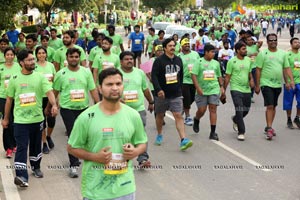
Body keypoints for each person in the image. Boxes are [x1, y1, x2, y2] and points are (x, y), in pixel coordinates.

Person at [67, 67, 147, 200]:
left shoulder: (133, 115)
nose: (115, 88)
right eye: (109, 84)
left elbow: (142, 142)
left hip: (125, 188)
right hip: (96, 191)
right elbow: (71, 147)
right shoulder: (86, 117)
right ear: (100, 88)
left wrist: (135, 151)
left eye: (118, 84)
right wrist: (95, 157)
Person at [2, 49, 58, 187]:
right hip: (20, 121)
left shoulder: (40, 77)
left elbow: (49, 92)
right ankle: (21, 176)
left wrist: (54, 104)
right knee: (21, 147)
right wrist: (6, 118)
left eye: (33, 59)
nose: (33, 62)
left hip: (37, 119)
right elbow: (9, 100)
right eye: (29, 60)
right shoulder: (14, 79)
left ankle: (36, 166)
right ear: (21, 63)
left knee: (35, 146)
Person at [51, 48, 99, 178]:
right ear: (67, 58)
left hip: (84, 108)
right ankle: (73, 165)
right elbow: (54, 92)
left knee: (87, 135)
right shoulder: (61, 74)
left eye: (76, 56)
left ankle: (88, 159)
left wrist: (100, 104)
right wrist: (51, 105)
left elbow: (93, 89)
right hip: (67, 109)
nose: (74, 59)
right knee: (73, 135)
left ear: (80, 58)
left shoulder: (86, 72)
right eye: (71, 56)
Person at [151, 38, 193, 151]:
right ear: (165, 48)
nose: (173, 47)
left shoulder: (179, 60)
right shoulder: (159, 61)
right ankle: (159, 134)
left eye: (174, 45)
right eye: (170, 45)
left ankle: (183, 139)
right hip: (162, 95)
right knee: (160, 115)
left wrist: (180, 89)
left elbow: (181, 76)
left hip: (176, 94)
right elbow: (154, 76)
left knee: (178, 115)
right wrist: (158, 90)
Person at [255, 33, 295, 140]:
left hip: (277, 84)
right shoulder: (263, 54)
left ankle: (270, 126)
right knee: (270, 106)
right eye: (271, 40)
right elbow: (258, 70)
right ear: (267, 42)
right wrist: (257, 85)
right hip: (266, 83)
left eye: (275, 40)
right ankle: (269, 128)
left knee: (274, 106)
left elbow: (286, 68)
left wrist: (290, 81)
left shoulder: (283, 54)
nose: (273, 42)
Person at [119, 51, 154, 167]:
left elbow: (145, 89)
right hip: (121, 110)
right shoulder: (116, 73)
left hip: (139, 109)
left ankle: (143, 159)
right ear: (121, 61)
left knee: (140, 134)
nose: (129, 61)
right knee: (123, 134)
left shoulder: (139, 73)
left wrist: (151, 101)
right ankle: (122, 158)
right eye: (126, 59)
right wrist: (117, 99)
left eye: (131, 59)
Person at [191, 44, 224, 141]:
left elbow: (219, 76)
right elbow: (193, 75)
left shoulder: (216, 63)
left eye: (214, 52)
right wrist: (198, 88)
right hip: (202, 90)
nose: (213, 54)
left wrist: (221, 87)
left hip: (214, 89)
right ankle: (196, 119)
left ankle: (213, 132)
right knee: (202, 110)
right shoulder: (199, 62)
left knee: (213, 109)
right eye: (212, 52)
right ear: (206, 52)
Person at [223, 42, 254, 141]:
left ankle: (236, 119)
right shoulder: (232, 61)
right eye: (243, 49)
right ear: (237, 51)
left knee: (246, 109)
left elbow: (249, 73)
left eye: (246, 49)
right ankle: (241, 132)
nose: (246, 51)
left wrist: (252, 80)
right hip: (235, 88)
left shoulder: (248, 60)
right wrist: (223, 90)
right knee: (239, 108)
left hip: (246, 89)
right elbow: (227, 77)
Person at [34, 46, 56, 154]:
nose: (41, 55)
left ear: (46, 54)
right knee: (42, 121)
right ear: (36, 55)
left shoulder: (51, 65)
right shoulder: (34, 67)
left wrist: (57, 98)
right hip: (39, 98)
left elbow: (55, 81)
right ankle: (43, 143)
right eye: (39, 53)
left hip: (50, 97)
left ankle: (48, 136)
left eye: (43, 53)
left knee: (52, 121)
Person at [0, 47, 19, 158]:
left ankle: (15, 144)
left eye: (12, 55)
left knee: (15, 122)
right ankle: (8, 148)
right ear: (4, 56)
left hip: (16, 97)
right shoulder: (1, 68)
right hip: (3, 98)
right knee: (7, 121)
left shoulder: (18, 67)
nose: (10, 57)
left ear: (14, 56)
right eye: (7, 55)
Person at [178, 38, 199, 126]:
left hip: (194, 80)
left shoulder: (195, 54)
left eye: (188, 44)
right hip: (184, 81)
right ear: (181, 46)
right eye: (185, 44)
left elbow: (199, 65)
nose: (187, 45)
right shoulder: (179, 56)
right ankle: (187, 116)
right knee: (186, 98)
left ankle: (183, 108)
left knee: (193, 98)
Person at [284, 37, 300, 129]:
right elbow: (285, 69)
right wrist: (287, 82)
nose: (297, 43)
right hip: (290, 83)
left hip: (299, 82)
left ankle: (297, 117)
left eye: (298, 42)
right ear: (291, 44)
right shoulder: (287, 55)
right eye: (295, 42)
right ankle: (289, 119)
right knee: (288, 102)